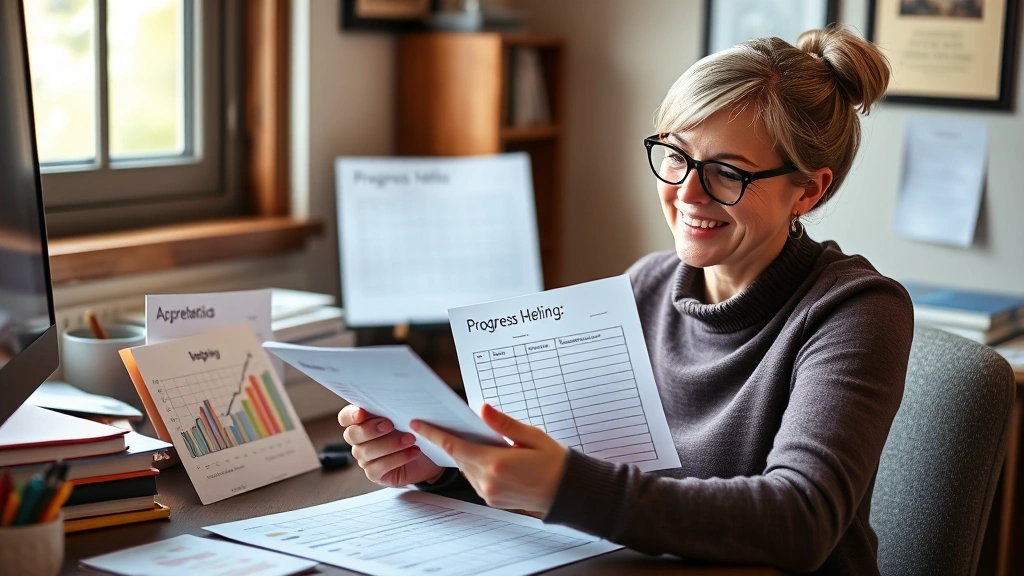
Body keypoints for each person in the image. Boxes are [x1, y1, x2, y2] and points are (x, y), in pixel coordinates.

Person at [338, 26, 913, 575]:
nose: (687, 192)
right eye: (676, 155)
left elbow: (801, 521)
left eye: (727, 173)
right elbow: (560, 469)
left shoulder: (856, 310)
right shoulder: (646, 287)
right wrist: (441, 465)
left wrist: (564, 486)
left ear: (809, 190)